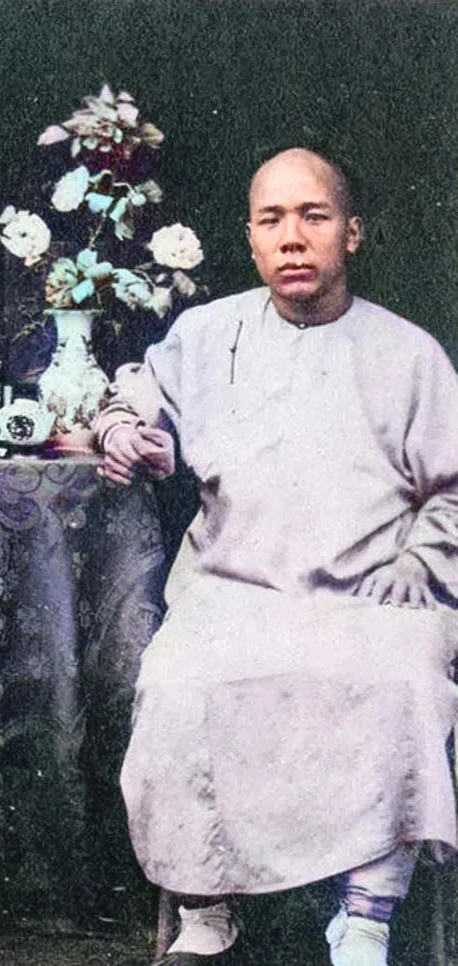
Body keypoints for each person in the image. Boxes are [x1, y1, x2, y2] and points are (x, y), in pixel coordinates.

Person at [95, 148, 458, 966]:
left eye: (313, 216)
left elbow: (453, 489)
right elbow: (130, 403)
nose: (293, 238)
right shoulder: (206, 335)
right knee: (177, 681)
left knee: (402, 680)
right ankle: (206, 909)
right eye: (272, 220)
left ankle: (364, 916)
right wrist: (122, 433)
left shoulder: (409, 355)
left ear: (352, 234)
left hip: (370, 598)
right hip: (235, 591)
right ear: (251, 241)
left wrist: (420, 563)